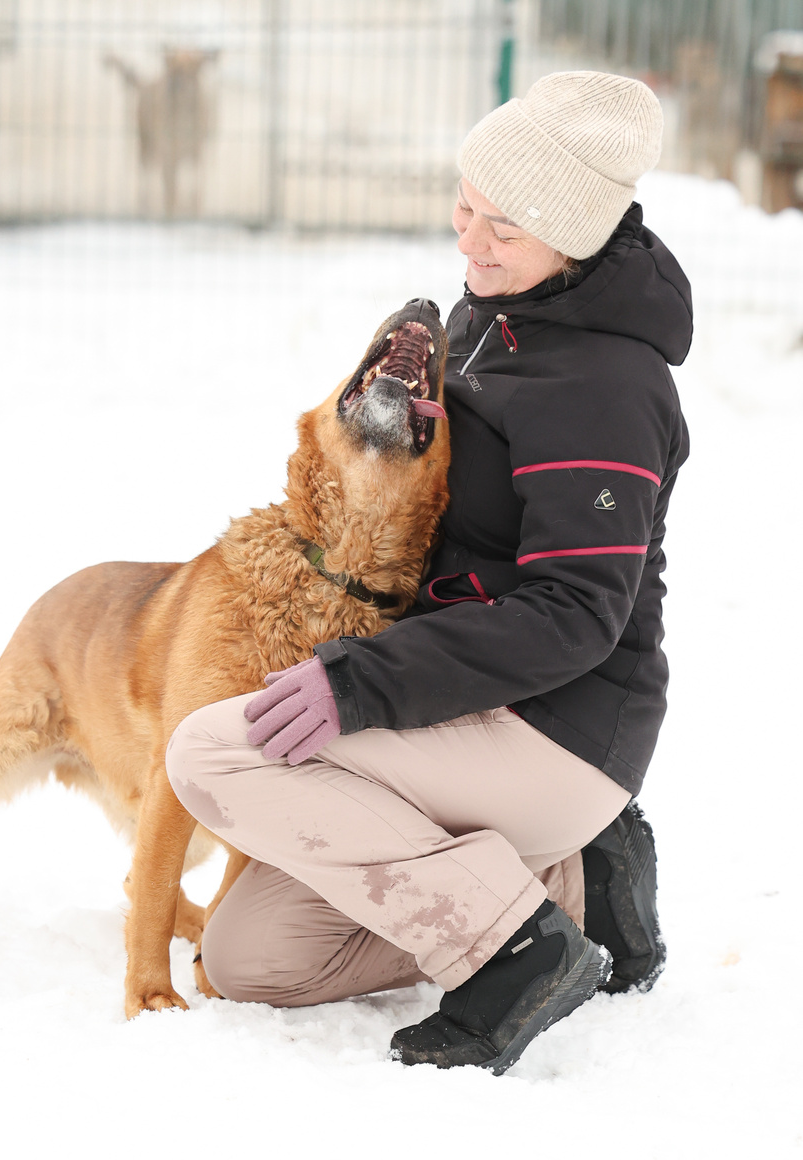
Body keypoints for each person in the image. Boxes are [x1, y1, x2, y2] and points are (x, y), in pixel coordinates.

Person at [165, 71, 690, 1073]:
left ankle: (512, 950)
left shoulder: (607, 387)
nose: (469, 239)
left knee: (211, 755)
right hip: (455, 693)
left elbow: (577, 614)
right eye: (466, 205)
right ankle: (576, 888)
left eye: (506, 225)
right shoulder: (499, 310)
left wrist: (360, 684)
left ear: (576, 234)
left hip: (556, 727)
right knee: (253, 959)